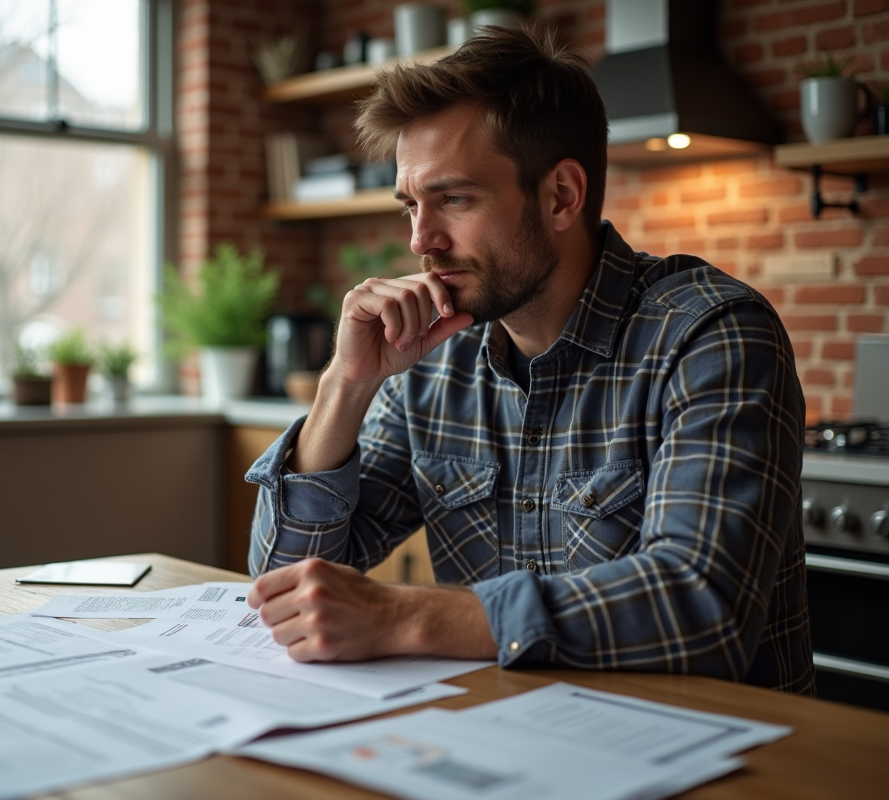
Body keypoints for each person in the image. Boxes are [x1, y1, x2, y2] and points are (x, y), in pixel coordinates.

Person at [243, 25, 814, 694]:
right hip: (515, 734)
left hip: (731, 758)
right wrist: (345, 385)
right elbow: (281, 588)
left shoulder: (710, 335)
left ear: (561, 196)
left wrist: (407, 614)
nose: (422, 239)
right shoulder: (431, 361)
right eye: (411, 204)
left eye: (454, 199)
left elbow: (701, 607)